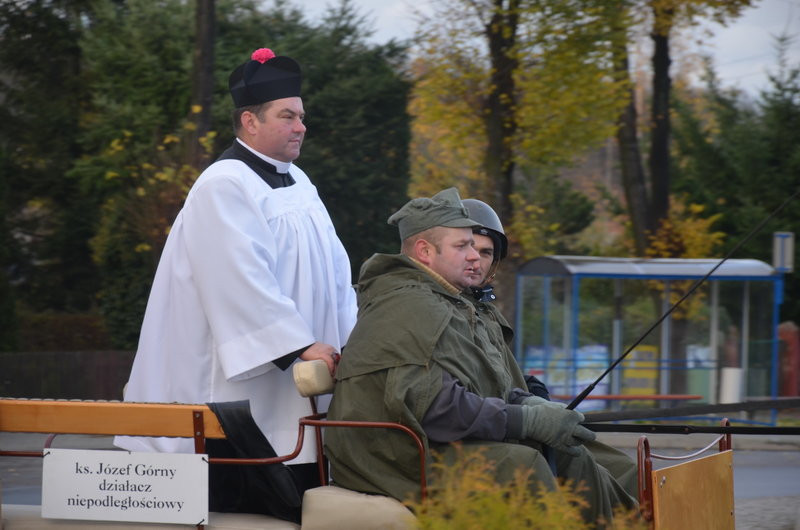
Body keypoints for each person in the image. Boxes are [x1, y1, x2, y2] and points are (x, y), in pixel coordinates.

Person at [116, 48, 357, 519]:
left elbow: (336, 271)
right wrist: (299, 345)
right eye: (287, 116)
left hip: (303, 376)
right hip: (231, 389)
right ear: (250, 120)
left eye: (301, 116)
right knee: (238, 513)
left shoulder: (300, 181)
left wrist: (351, 340)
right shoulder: (223, 185)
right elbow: (239, 280)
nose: (301, 126)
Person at [325, 188, 636, 524]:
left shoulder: (445, 302)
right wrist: (526, 420)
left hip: (427, 444)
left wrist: (529, 403)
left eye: (476, 247)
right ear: (425, 251)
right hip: (394, 457)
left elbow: (483, 381)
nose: (475, 257)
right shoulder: (408, 306)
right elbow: (434, 408)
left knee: (572, 453)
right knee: (524, 464)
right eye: (463, 246)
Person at [462, 197, 639, 500]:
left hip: (513, 415)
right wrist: (528, 412)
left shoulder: (485, 310)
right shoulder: (449, 311)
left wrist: (531, 389)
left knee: (626, 468)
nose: (476, 259)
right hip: (493, 431)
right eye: (468, 248)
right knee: (587, 467)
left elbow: (500, 371)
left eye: (486, 252)